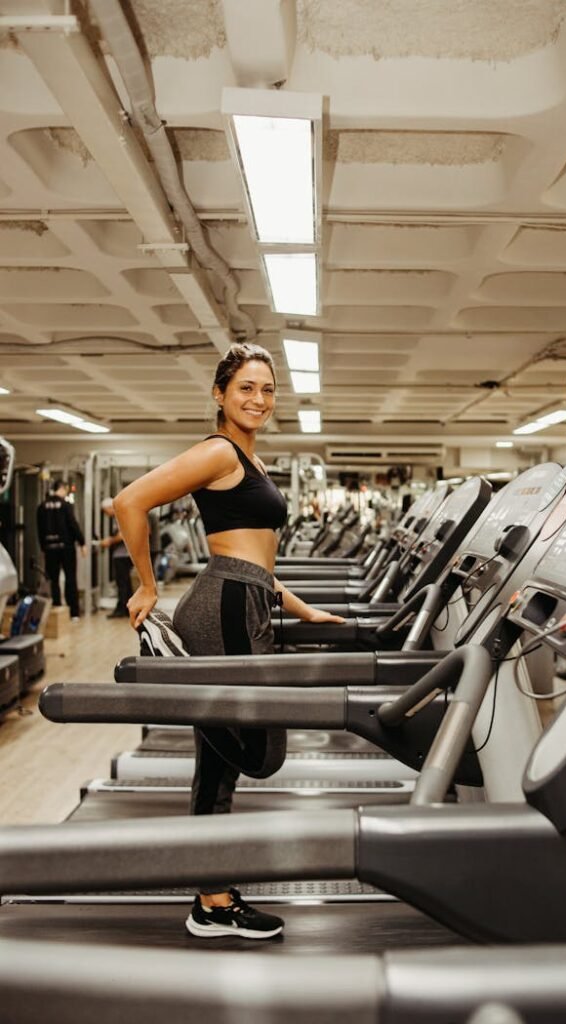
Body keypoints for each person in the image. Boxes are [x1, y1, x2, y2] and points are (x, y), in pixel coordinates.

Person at [112, 342, 344, 942]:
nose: (259, 399)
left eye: (268, 389)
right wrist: (146, 586)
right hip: (225, 606)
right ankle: (207, 892)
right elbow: (128, 502)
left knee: (222, 760)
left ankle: (211, 894)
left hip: (249, 597)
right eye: (246, 387)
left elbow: (255, 554)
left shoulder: (251, 459)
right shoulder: (218, 452)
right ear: (220, 394)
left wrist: (299, 606)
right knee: (251, 751)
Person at [36, 479, 86, 621]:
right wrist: (82, 542)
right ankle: (73, 613)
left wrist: (43, 547)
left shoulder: (42, 506)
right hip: (66, 548)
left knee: (54, 580)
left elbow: (39, 529)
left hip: (50, 548)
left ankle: (57, 607)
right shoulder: (65, 505)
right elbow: (72, 524)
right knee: (70, 578)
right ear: (62, 488)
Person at [100, 498, 133, 619]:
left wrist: (109, 541)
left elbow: (122, 534)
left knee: (122, 582)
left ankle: (121, 608)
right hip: (125, 553)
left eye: (105, 511)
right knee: (126, 582)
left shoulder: (120, 515)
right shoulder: (121, 514)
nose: (105, 514)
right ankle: (127, 608)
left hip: (122, 554)